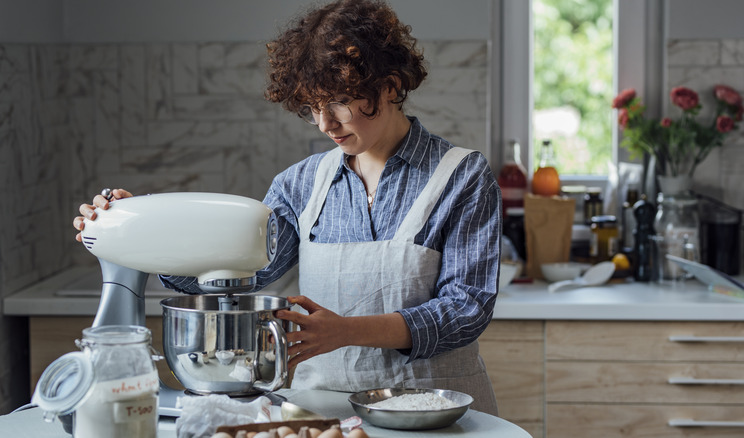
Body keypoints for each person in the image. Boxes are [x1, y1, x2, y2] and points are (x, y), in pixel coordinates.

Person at [73, 0, 501, 414]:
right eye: (313, 107)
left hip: (436, 415)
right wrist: (142, 230)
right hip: (324, 416)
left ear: (390, 85)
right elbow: (240, 271)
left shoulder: (462, 176)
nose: (324, 124)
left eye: (338, 102)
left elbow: (466, 308)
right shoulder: (301, 184)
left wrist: (346, 332)